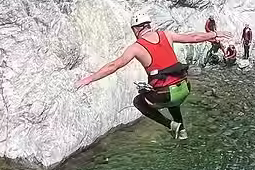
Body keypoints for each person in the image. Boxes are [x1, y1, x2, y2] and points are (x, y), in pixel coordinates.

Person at [75, 13, 232, 140]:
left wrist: (90, 79)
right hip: (184, 88)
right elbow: (194, 38)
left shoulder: (136, 48)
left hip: (165, 94)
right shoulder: (167, 35)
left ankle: (170, 125)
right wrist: (214, 34)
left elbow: (114, 65)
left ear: (136, 30)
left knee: (138, 101)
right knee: (172, 97)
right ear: (148, 25)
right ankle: (182, 132)